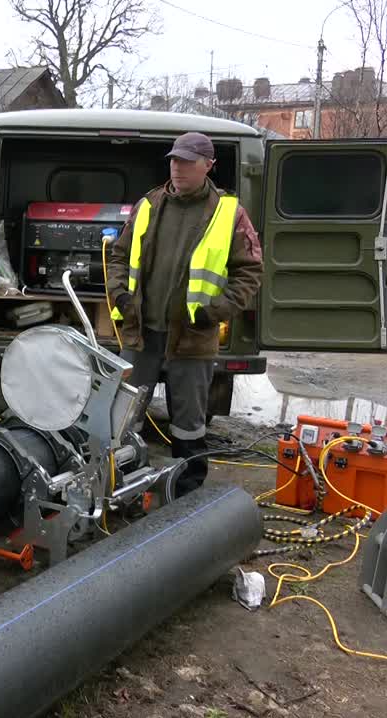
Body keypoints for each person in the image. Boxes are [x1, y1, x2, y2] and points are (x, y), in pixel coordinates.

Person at [105, 131, 263, 496]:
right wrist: (121, 296)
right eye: (174, 160)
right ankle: (124, 485)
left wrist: (215, 311)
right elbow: (118, 255)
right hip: (141, 332)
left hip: (193, 335)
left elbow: (250, 272)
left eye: (188, 162)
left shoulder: (229, 213)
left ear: (209, 165)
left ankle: (185, 494)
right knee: (124, 415)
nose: (178, 168)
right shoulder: (149, 204)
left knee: (189, 422)